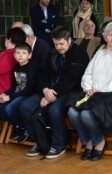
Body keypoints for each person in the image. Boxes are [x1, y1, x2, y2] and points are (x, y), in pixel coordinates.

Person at [68, 21, 112, 161]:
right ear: (105, 37)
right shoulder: (99, 53)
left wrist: (100, 91)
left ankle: (99, 142)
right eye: (110, 35)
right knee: (72, 111)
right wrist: (87, 87)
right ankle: (89, 141)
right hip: (93, 94)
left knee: (86, 114)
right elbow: (87, 73)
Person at [20, 27, 89, 159]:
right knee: (25, 107)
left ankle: (58, 145)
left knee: (54, 110)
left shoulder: (80, 54)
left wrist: (51, 96)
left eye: (61, 44)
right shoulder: (53, 53)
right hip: (49, 90)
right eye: (56, 44)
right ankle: (41, 142)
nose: (58, 47)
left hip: (71, 92)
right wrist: (45, 90)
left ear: (69, 40)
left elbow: (71, 80)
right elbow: (43, 74)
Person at [0, 42, 42, 136]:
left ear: (29, 55)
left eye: (24, 53)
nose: (20, 55)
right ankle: (19, 124)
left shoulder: (33, 67)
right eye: (18, 53)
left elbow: (29, 89)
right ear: (14, 55)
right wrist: (5, 93)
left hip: (27, 95)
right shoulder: (16, 67)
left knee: (10, 108)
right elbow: (14, 85)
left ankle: (23, 126)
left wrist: (10, 97)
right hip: (16, 93)